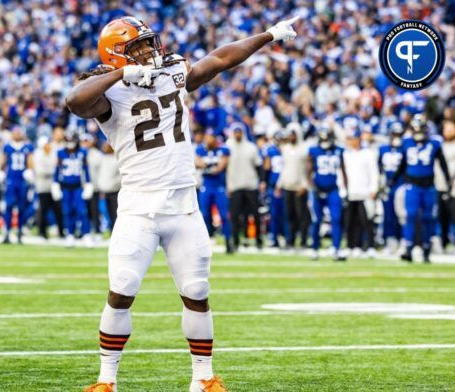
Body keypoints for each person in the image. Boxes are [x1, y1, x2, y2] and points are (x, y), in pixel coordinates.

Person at [65, 15, 299, 392]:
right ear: (114, 55)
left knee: (197, 292)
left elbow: (219, 60)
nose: (148, 51)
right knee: (121, 289)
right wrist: (121, 75)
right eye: (136, 48)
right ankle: (106, 380)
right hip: (138, 208)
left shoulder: (171, 70)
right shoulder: (107, 91)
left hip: (183, 205)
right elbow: (74, 102)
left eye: (147, 44)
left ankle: (203, 378)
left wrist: (269, 35)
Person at [391, 114, 451, 263]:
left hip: (428, 186)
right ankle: (409, 248)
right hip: (412, 185)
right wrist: (392, 180)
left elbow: (443, 164)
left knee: (427, 218)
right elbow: (403, 164)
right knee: (410, 216)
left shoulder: (434, 144)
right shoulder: (406, 143)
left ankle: (425, 248)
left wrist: (449, 181)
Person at [307, 127, 346, 261]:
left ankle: (336, 248)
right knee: (316, 220)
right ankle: (315, 248)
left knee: (336, 218)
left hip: (333, 189)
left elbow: (343, 170)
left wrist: (345, 189)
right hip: (318, 188)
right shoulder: (314, 150)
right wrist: (313, 187)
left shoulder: (338, 150)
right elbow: (309, 172)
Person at [342, 130, 379, 258]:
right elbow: (343, 173)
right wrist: (343, 189)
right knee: (351, 221)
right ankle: (352, 245)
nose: (349, 141)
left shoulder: (368, 153)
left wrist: (373, 188)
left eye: (351, 138)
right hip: (351, 191)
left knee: (367, 221)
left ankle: (370, 246)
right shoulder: (346, 154)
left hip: (365, 192)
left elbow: (374, 172)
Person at [226, 125, 264, 250]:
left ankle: (259, 240)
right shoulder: (228, 147)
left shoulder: (251, 147)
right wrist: (227, 185)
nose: (237, 134)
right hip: (235, 185)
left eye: (239, 132)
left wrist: (262, 181)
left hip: (250, 185)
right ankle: (236, 241)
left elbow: (259, 166)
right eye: (236, 132)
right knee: (235, 216)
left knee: (255, 214)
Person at [52, 132, 93, 247]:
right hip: (65, 187)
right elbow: (57, 169)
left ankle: (86, 234)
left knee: (82, 211)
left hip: (78, 186)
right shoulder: (60, 153)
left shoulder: (82, 152)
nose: (70, 144)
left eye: (72, 141)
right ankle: (70, 234)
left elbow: (86, 169)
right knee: (67, 211)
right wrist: (55, 184)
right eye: (68, 141)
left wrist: (88, 184)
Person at [195, 131, 232, 253]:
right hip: (206, 187)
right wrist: (208, 165)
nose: (207, 140)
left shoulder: (223, 150)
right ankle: (206, 241)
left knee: (224, 215)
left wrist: (206, 165)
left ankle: (228, 241)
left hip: (219, 187)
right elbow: (197, 162)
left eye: (209, 138)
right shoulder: (201, 149)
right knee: (204, 215)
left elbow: (220, 167)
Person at [275, 124, 309, 250]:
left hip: (300, 187)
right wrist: (279, 184)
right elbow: (284, 169)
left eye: (293, 134)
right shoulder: (286, 149)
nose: (291, 136)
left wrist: (305, 185)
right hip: (287, 186)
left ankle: (304, 241)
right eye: (290, 134)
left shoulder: (304, 149)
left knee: (302, 216)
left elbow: (308, 170)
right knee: (289, 216)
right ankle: (290, 241)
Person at [434, 120, 455, 253]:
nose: (449, 131)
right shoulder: (438, 145)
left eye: (452, 129)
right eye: (447, 129)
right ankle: (444, 242)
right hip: (439, 184)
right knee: (441, 217)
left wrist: (450, 179)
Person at [2, 127, 33, 244]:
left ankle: (19, 231)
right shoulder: (8, 147)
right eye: (15, 132)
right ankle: (7, 232)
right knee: (8, 207)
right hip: (11, 180)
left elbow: (30, 161)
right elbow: (4, 161)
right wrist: (1, 172)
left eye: (18, 133)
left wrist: (30, 171)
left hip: (22, 180)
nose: (17, 134)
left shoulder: (27, 147)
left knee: (21, 207)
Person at [378, 123, 405, 253]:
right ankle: (390, 241)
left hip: (401, 185)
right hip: (387, 186)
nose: (396, 137)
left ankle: (403, 241)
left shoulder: (405, 148)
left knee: (401, 215)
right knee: (388, 215)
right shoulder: (383, 149)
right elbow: (378, 167)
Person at [34, 136, 64, 239]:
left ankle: (61, 232)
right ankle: (42, 232)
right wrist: (52, 171)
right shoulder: (38, 154)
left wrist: (52, 170)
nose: (48, 146)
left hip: (54, 187)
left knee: (58, 210)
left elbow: (58, 167)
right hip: (42, 187)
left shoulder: (54, 153)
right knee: (43, 210)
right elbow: (40, 171)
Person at [261, 131, 286, 248]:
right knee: (274, 214)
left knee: (287, 214)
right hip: (273, 185)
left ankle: (287, 237)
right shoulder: (270, 151)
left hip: (287, 186)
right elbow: (266, 167)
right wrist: (264, 182)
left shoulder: (289, 151)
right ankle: (274, 237)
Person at [98, 143, 121, 231]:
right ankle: (111, 229)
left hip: (115, 191)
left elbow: (121, 176)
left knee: (116, 212)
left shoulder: (117, 159)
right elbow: (101, 175)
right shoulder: (103, 159)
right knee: (108, 212)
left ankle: (117, 230)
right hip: (105, 191)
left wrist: (114, 184)